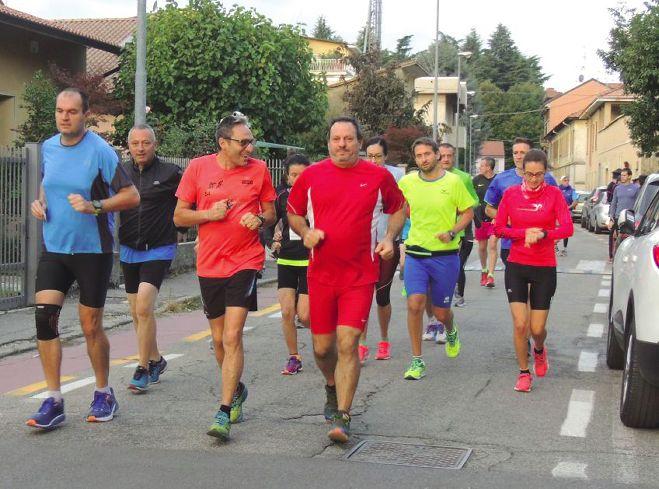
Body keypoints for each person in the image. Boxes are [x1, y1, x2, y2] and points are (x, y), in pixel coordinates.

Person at [26, 88, 140, 429]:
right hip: (55, 248)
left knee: (91, 326)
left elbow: (131, 195)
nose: (64, 116)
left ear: (84, 114)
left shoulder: (101, 151)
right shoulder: (48, 147)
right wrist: (40, 203)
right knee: (44, 320)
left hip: (93, 250)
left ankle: (104, 392)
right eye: (60, 110)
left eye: (72, 111)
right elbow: (50, 185)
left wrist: (96, 206)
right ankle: (53, 400)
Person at [287, 117, 405, 443]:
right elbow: (294, 211)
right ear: (328, 143)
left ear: (359, 143)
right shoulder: (311, 175)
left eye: (348, 139)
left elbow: (399, 208)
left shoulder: (378, 176)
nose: (342, 144)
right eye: (336, 139)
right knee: (323, 349)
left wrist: (390, 237)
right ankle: (330, 386)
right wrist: (306, 231)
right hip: (321, 275)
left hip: (359, 276)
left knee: (348, 343)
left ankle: (343, 414)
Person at [174, 113, 276, 440]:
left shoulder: (259, 170)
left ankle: (222, 411)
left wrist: (258, 220)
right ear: (223, 143)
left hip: (246, 260)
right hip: (209, 263)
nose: (250, 147)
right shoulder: (198, 168)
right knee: (218, 340)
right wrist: (209, 214)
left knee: (232, 337)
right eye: (243, 142)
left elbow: (272, 212)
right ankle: (237, 390)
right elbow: (179, 216)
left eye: (251, 141)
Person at [494, 149, 573, 392]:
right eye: (529, 174)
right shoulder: (510, 194)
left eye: (539, 174)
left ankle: (539, 349)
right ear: (523, 173)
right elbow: (498, 228)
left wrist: (544, 233)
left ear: (545, 172)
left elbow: (568, 228)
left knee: (537, 329)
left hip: (544, 266)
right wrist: (522, 233)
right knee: (520, 325)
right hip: (517, 264)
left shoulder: (554, 195)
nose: (534, 179)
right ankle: (523, 372)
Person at [399, 138, 475, 381]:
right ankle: (417, 361)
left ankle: (450, 330)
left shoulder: (453, 182)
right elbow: (400, 208)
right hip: (416, 254)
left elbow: (467, 212)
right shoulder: (408, 181)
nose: (423, 159)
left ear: (437, 155)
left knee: (442, 313)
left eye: (427, 154)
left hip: (445, 255)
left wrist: (452, 231)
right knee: (415, 304)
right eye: (419, 155)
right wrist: (395, 237)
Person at [119, 124, 183, 393]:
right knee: (137, 312)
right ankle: (156, 359)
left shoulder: (171, 173)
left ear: (155, 145)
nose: (141, 148)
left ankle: (143, 367)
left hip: (159, 247)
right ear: (129, 146)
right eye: (135, 143)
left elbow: (191, 199)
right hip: (128, 247)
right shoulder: (120, 172)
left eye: (146, 143)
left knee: (144, 306)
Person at [358, 136, 405, 364]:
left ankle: (384, 340)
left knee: (382, 295)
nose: (373, 160)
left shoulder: (396, 176)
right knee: (363, 295)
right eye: (370, 156)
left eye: (378, 156)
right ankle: (362, 343)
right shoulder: (358, 174)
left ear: (385, 157)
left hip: (387, 242)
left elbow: (403, 209)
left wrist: (398, 239)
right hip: (363, 245)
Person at [264, 154, 311, 375]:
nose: (298, 179)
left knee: (305, 316)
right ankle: (294, 357)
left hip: (311, 261)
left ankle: (328, 337)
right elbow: (267, 222)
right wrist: (271, 242)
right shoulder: (280, 196)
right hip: (286, 260)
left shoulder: (319, 196)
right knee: (286, 312)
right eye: (294, 175)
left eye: (303, 175)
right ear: (287, 176)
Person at [484, 137, 558, 266]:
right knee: (515, 286)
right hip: (511, 244)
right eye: (515, 153)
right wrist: (508, 219)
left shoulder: (547, 179)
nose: (518, 156)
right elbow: (488, 209)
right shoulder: (501, 179)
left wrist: (554, 232)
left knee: (535, 285)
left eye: (522, 153)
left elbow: (557, 210)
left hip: (540, 244)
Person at [438, 143, 478, 307]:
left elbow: (475, 200)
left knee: (457, 265)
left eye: (449, 156)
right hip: (438, 230)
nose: (446, 159)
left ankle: (458, 295)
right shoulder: (430, 177)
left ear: (454, 157)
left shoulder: (464, 177)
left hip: (461, 231)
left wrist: (461, 208)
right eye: (442, 155)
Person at [472, 157, 498, 287]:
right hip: (480, 219)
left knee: (492, 245)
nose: (479, 168)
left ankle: (491, 276)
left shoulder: (497, 180)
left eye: (481, 165)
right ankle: (484, 270)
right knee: (482, 248)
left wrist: (497, 215)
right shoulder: (476, 180)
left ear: (488, 167)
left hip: (494, 219)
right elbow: (471, 197)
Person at [607, 168, 639, 260]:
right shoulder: (617, 188)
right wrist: (611, 217)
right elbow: (613, 203)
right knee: (612, 235)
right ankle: (612, 256)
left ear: (629, 176)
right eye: (621, 175)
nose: (622, 177)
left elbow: (638, 203)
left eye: (624, 175)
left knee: (628, 238)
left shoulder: (636, 188)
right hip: (617, 216)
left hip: (630, 217)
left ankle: (627, 255)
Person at [557, 176, 579, 256]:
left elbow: (575, 201)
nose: (566, 182)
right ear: (561, 181)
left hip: (567, 213)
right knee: (557, 230)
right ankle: (555, 247)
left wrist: (568, 207)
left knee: (565, 230)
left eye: (567, 180)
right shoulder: (557, 189)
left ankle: (564, 248)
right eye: (564, 180)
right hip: (557, 213)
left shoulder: (572, 190)